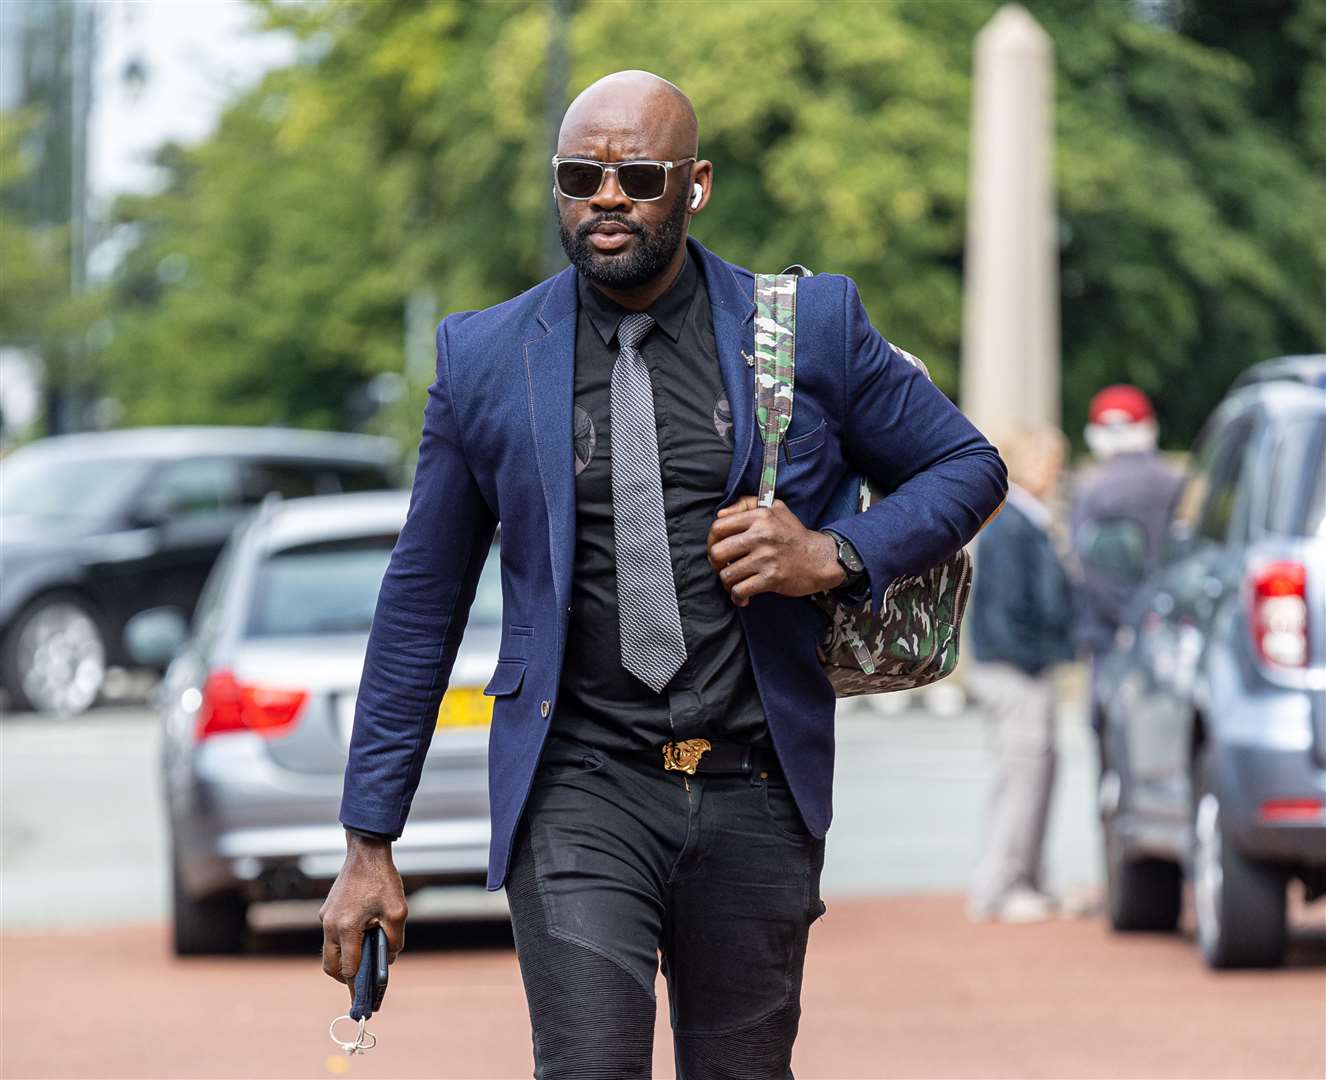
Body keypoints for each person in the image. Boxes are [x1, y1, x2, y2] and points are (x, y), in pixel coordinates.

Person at [319, 70, 1007, 1077]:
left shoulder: (805, 329)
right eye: (579, 174)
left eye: (638, 174)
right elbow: (420, 604)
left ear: (695, 184)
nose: (606, 196)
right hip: (579, 783)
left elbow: (969, 466)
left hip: (754, 787)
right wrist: (369, 840)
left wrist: (834, 556)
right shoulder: (486, 357)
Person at [964, 425, 1075, 924]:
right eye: (1049, 459)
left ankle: (1025, 878)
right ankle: (1002, 885)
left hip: (1021, 663)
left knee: (1036, 772)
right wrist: (1036, 656)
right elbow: (1012, 606)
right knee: (1022, 776)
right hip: (1015, 666)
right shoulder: (1014, 523)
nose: (1057, 469)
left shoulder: (1023, 520)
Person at [1070, 385, 1183, 769]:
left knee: (1112, 749)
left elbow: (1090, 565)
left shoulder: (1093, 489)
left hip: (1110, 634)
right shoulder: (1174, 483)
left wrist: (1121, 620)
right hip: (1169, 626)